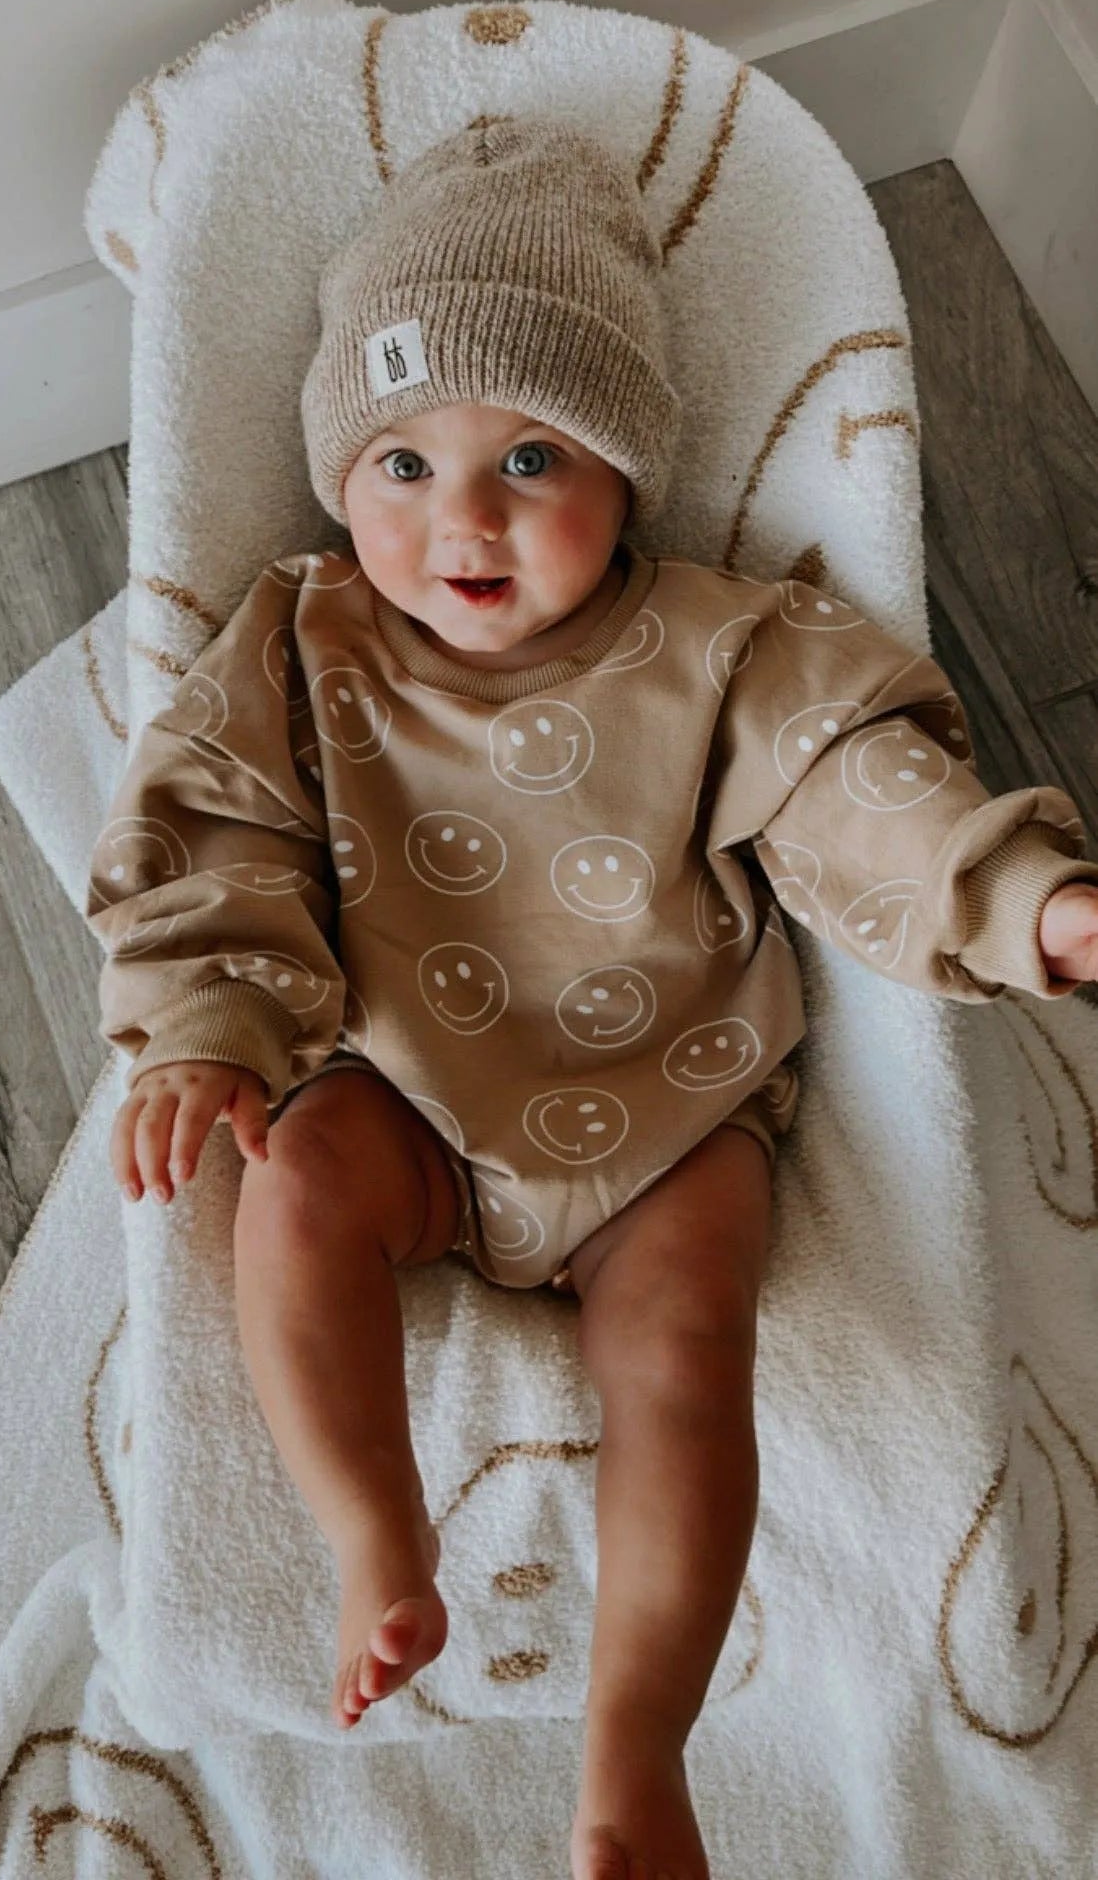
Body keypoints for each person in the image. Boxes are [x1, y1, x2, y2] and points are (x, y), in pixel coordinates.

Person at [84, 115, 1098, 1880]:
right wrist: (208, 1030)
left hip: (668, 1108)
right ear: (339, 472)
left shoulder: (724, 641)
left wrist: (1025, 898)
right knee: (289, 1187)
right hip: (398, 1088)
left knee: (685, 1350)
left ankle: (636, 1753)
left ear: (628, 475)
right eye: (402, 461)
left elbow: (861, 785)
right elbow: (214, 837)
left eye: (533, 457)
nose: (462, 519)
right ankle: (375, 1533)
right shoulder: (302, 642)